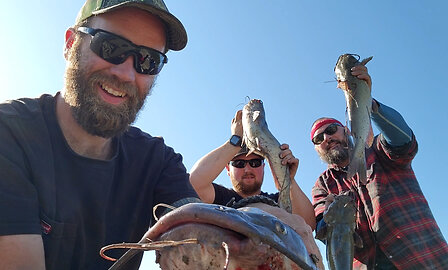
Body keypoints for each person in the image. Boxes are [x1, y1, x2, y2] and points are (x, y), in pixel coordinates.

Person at [0, 1, 200, 269]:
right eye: (110, 46)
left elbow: (203, 231)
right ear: (70, 45)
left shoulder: (157, 161)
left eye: (148, 60)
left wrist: (259, 211)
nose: (125, 73)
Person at [311, 65, 448, 269]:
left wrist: (367, 103)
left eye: (331, 130)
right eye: (318, 138)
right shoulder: (323, 184)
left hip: (424, 259)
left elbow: (403, 140)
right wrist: (329, 218)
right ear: (317, 149)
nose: (327, 138)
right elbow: (322, 228)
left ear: (346, 129)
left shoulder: (379, 150)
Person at [190, 109, 316, 231]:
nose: (247, 168)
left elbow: (307, 225)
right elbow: (194, 184)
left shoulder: (278, 202)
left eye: (255, 163)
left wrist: (289, 180)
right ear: (228, 169)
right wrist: (235, 140)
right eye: (239, 163)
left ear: (263, 166)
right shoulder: (219, 198)